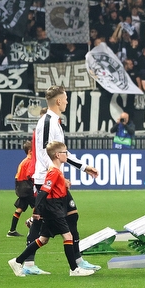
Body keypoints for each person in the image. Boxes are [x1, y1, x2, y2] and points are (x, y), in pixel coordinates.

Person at [28, 87, 101, 275]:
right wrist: (57, 175)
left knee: (71, 216)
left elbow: (62, 154)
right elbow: (45, 153)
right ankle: (28, 263)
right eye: (66, 99)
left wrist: (84, 167)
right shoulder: (47, 122)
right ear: (58, 101)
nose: (67, 102)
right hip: (46, 179)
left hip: (53, 178)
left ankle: (77, 261)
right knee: (41, 223)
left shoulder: (55, 122)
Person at [9, 142, 95, 277]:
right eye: (65, 152)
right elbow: (43, 191)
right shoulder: (53, 172)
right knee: (68, 236)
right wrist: (36, 211)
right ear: (57, 155)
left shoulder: (56, 171)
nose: (67, 155)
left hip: (55, 206)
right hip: (53, 208)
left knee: (43, 239)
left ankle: (17, 261)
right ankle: (74, 269)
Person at [7, 140, 35, 237]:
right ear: (30, 151)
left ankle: (12, 230)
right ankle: (33, 226)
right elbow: (29, 175)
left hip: (20, 186)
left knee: (20, 208)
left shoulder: (24, 161)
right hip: (26, 187)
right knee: (37, 207)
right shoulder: (29, 161)